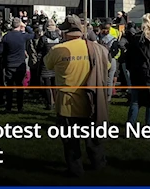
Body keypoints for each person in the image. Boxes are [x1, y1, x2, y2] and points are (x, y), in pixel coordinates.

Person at [43, 15, 109, 177]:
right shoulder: (98, 48)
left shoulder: (58, 50)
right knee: (93, 137)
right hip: (91, 101)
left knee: (71, 141)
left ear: (64, 32)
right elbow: (106, 66)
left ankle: (76, 169)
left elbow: (47, 64)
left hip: (67, 104)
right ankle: (98, 163)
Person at [0, 18, 35, 113]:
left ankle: (9, 107)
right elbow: (33, 34)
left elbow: (0, 51)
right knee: (20, 86)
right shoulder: (22, 36)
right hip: (20, 63)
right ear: (19, 25)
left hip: (9, 63)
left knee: (9, 87)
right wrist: (26, 26)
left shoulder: (6, 36)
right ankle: (20, 107)